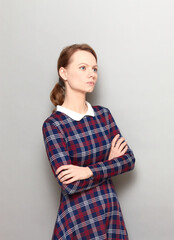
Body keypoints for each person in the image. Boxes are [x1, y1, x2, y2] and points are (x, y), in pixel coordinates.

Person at [42, 43, 136, 239]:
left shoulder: (103, 115)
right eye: (83, 68)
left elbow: (128, 160)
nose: (91, 74)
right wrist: (110, 164)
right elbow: (70, 185)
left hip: (110, 210)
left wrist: (87, 171)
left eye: (94, 69)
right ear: (64, 73)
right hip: (78, 217)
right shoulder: (54, 125)